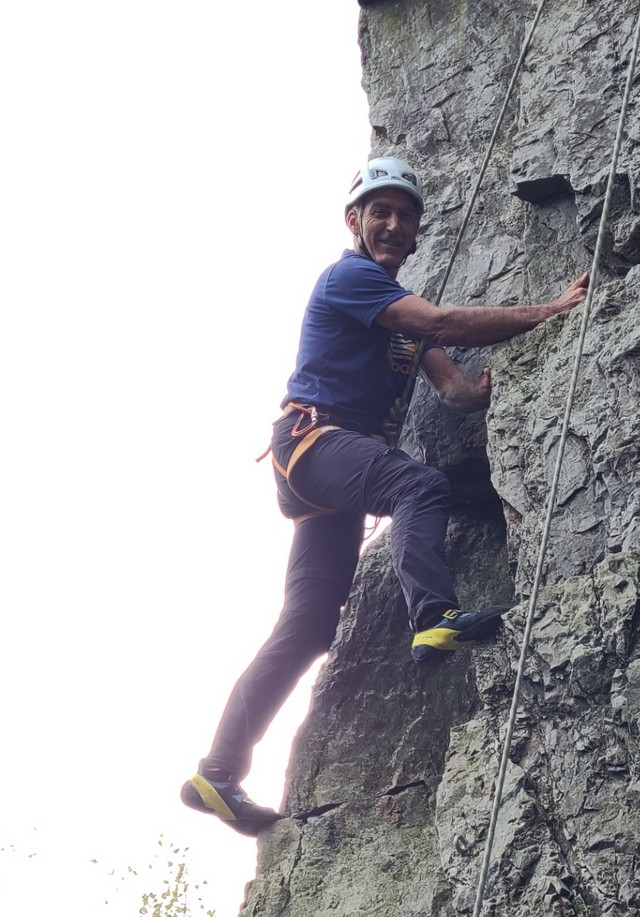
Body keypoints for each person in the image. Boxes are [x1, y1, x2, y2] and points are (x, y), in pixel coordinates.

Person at [182, 157, 589, 836]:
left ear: (418, 229)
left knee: (309, 626)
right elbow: (447, 321)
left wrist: (487, 390)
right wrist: (549, 310)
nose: (394, 224)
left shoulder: (403, 321)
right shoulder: (351, 279)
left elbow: (453, 387)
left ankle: (217, 772)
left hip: (323, 477)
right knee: (416, 484)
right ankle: (434, 614)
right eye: (381, 212)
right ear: (356, 222)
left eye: (405, 215)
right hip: (315, 442)